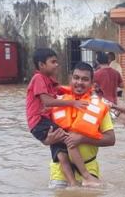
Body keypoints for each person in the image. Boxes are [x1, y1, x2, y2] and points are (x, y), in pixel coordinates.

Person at [26, 48, 101, 187]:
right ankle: (85, 175)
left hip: (39, 123)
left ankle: (72, 183)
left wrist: (88, 93)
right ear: (41, 65)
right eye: (53, 62)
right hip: (39, 121)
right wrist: (73, 102)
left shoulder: (49, 81)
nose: (57, 65)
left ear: (91, 82)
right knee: (69, 140)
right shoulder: (38, 78)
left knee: (61, 152)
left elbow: (61, 89)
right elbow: (47, 101)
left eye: (84, 80)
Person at [45, 62, 116, 188]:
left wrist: (83, 139)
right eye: (76, 78)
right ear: (70, 79)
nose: (79, 82)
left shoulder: (100, 107)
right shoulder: (56, 103)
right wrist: (48, 140)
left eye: (85, 79)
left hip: (89, 168)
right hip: (59, 170)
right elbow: (43, 135)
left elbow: (111, 140)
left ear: (92, 83)